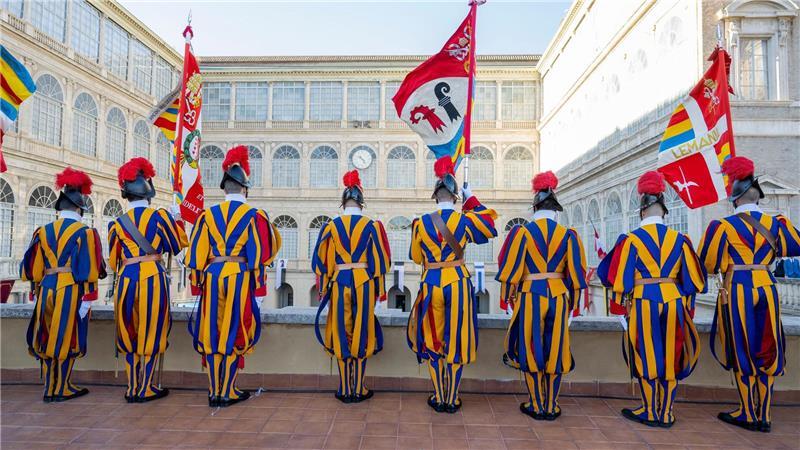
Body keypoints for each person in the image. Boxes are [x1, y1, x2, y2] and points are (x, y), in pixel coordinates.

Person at [699, 156, 800, 433]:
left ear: (734, 197)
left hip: (737, 286)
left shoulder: (722, 227)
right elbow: (795, 246)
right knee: (767, 348)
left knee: (741, 348)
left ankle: (747, 411)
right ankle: (764, 414)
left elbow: (708, 263)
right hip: (767, 285)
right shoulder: (778, 222)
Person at [597, 171, 705, 428]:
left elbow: (612, 277)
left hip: (643, 301)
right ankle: (666, 412)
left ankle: (649, 409)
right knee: (672, 354)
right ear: (664, 210)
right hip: (673, 300)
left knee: (645, 354)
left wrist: (621, 307)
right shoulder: (681, 240)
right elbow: (692, 282)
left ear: (642, 211)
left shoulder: (631, 240)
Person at [185, 146, 281, 407]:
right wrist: (259, 291)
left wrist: (197, 287)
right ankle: (227, 391)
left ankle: (214, 391)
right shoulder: (254, 216)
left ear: (223, 189)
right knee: (234, 333)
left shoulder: (207, 216)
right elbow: (259, 257)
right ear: (245, 189)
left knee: (213, 334)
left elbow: (196, 255)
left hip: (212, 276)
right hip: (239, 276)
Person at [407, 156, 497, 413]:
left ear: (435, 196)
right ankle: (453, 398)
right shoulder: (466, 219)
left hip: (432, 282)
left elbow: (416, 257)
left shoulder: (421, 223)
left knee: (434, 341)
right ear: (456, 197)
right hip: (458, 282)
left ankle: (439, 396)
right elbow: (490, 229)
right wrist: (472, 199)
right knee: (456, 341)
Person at [495, 171, 587, 420]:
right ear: (554, 206)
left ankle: (536, 404)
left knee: (532, 348)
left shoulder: (522, 233)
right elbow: (577, 274)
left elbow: (510, 270)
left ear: (535, 205)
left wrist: (507, 301)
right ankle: (552, 405)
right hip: (559, 296)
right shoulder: (569, 235)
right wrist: (574, 307)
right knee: (556, 351)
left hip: (530, 295)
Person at [20, 167, 106, 402]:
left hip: (46, 288)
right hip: (71, 289)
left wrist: (36, 292)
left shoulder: (43, 231)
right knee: (69, 337)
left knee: (46, 335)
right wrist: (88, 300)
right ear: (79, 207)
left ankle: (49, 387)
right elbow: (91, 271)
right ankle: (62, 386)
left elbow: (33, 268)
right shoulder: (85, 233)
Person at [108, 158, 188, 403]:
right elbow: (177, 246)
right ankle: (147, 387)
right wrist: (176, 220)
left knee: (129, 332)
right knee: (152, 330)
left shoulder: (117, 224)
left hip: (126, 280)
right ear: (149, 194)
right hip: (153, 277)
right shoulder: (160, 217)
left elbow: (113, 262)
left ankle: (132, 387)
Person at [312, 170, 391, 403]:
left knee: (341, 332)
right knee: (362, 332)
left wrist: (324, 288)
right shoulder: (372, 226)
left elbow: (321, 262)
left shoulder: (330, 226)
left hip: (339, 282)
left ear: (343, 201)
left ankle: (345, 388)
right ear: (361, 202)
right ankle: (358, 388)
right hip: (364, 283)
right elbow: (381, 262)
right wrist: (379, 289)